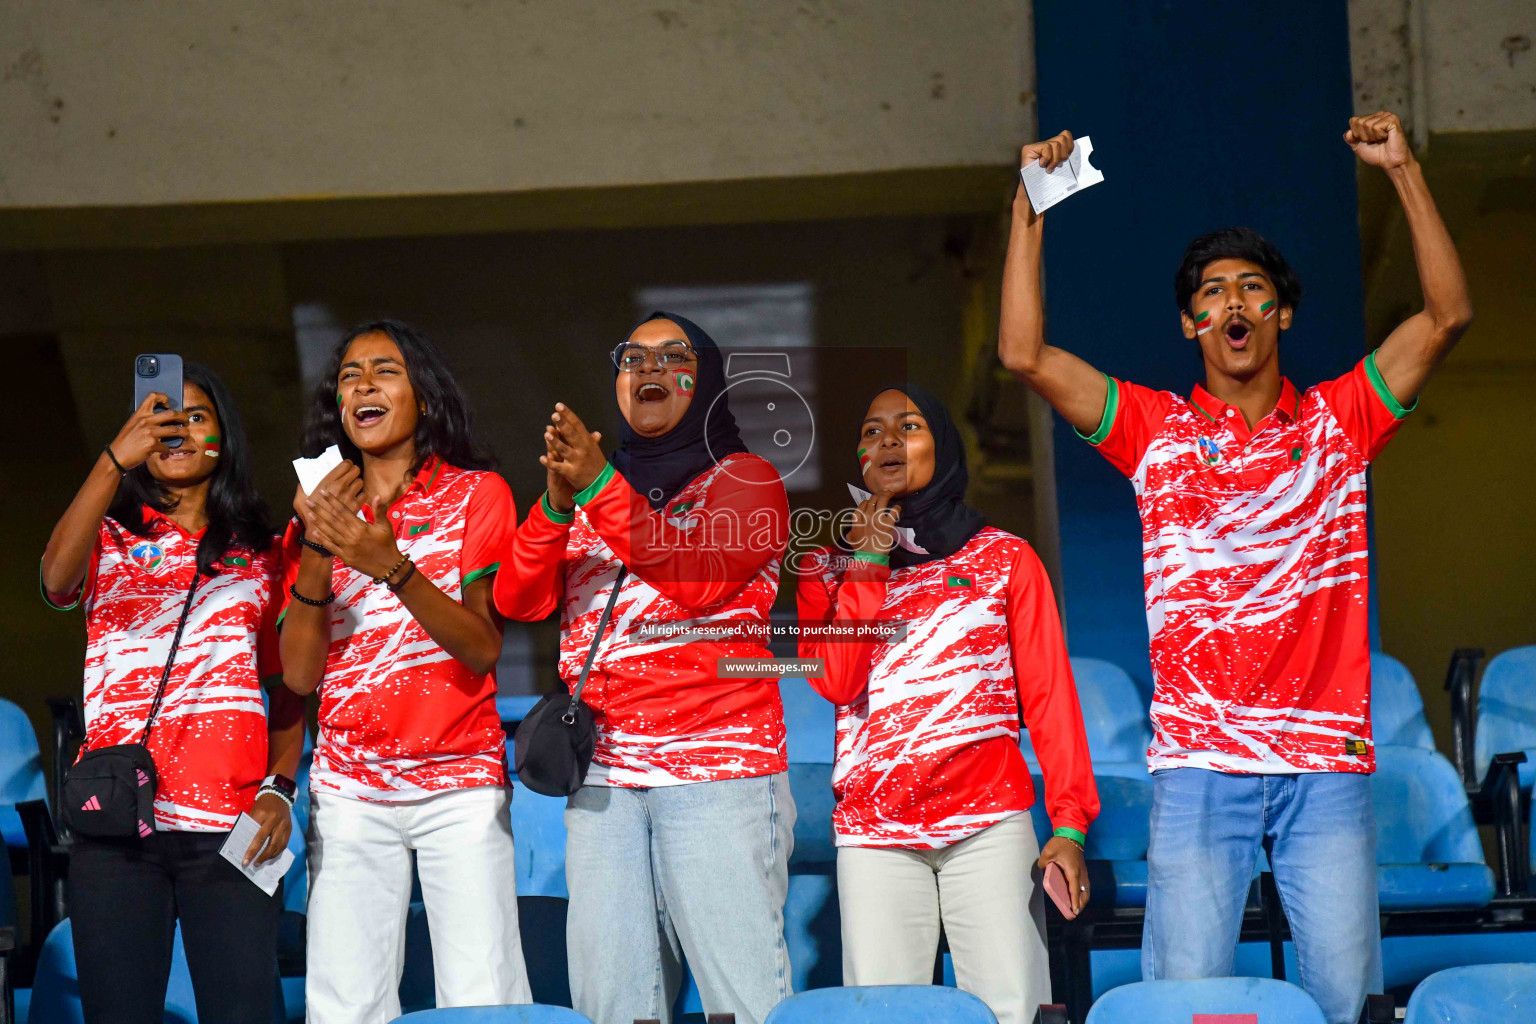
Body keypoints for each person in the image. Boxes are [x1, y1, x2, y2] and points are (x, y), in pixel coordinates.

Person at [998, 113, 1472, 1024]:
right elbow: (1022, 353)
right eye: (1212, 293)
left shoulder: (1341, 422)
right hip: (1199, 769)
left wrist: (1404, 170)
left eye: (1253, 289)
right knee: (1188, 1008)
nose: (1234, 306)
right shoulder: (1152, 432)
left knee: (1342, 1008)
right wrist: (1031, 201)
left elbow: (1447, 315)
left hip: (1324, 766)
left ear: (1282, 313)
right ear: (1190, 324)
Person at [495, 312, 793, 1024]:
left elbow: (696, 578)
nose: (650, 367)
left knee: (744, 1000)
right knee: (614, 1005)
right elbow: (519, 597)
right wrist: (555, 506)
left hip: (718, 774)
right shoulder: (596, 495)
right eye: (634, 356)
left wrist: (597, 485)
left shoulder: (748, 482)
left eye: (673, 356)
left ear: (708, 382)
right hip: (604, 780)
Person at [795, 384, 1098, 1024]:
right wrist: (869, 556)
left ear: (944, 444)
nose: (886, 442)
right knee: (884, 1017)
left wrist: (1068, 823)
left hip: (988, 826)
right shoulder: (824, 569)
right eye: (871, 431)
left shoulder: (1006, 560)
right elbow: (839, 681)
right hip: (875, 836)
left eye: (906, 427)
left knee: (1015, 1012)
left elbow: (1049, 700)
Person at [279, 319, 531, 1022]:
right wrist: (323, 547)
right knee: (345, 1006)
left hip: (457, 783)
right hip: (350, 789)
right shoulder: (315, 515)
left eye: (384, 370)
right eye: (350, 374)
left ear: (424, 396)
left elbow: (482, 647)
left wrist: (388, 564)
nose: (363, 383)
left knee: (482, 1000)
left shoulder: (479, 496)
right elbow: (299, 676)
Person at [40, 364, 303, 1024]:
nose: (178, 429)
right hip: (118, 827)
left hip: (231, 828)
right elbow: (53, 580)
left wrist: (278, 789)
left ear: (225, 437)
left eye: (195, 416)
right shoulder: (107, 538)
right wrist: (110, 462)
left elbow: (290, 690)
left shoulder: (265, 554)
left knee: (244, 1014)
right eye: (159, 416)